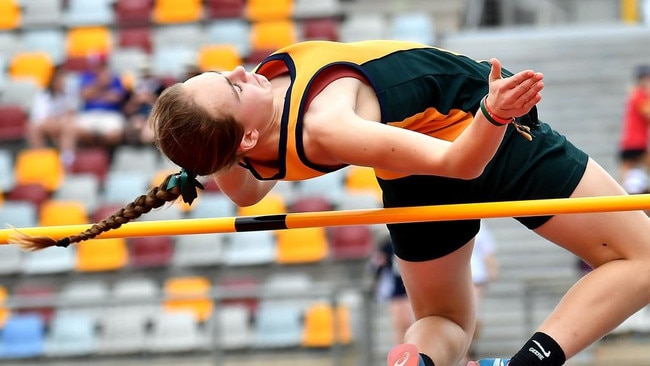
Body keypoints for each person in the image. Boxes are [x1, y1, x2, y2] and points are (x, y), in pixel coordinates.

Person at [13, 40, 650, 366]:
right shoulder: (325, 125)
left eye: (224, 73)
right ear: (250, 134)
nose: (245, 73)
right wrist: (493, 111)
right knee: (643, 257)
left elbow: (250, 185)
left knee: (449, 325)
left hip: (412, 168)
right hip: (475, 134)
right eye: (235, 87)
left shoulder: (243, 156)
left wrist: (204, 160)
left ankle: (417, 359)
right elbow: (462, 164)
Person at [26, 65, 79, 169]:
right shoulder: (42, 95)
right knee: (32, 127)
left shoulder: (69, 93)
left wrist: (59, 122)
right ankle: (40, 160)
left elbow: (72, 113)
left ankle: (67, 162)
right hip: (48, 126)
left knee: (68, 124)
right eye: (59, 80)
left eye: (63, 79)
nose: (62, 82)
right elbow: (41, 118)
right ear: (52, 81)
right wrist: (55, 123)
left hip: (63, 126)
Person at [74, 54, 128, 148]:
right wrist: (100, 84)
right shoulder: (87, 76)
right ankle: (96, 149)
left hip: (110, 114)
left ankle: (102, 150)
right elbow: (84, 95)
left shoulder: (115, 78)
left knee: (116, 134)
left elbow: (116, 97)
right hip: (90, 113)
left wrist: (95, 95)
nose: (97, 67)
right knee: (78, 130)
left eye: (100, 64)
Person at [371, 236, 414, 345]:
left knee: (408, 324)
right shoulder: (387, 245)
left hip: (411, 290)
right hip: (397, 291)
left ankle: (411, 349)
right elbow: (377, 266)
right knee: (399, 325)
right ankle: (400, 353)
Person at [467, 224, 499, 362]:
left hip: (475, 278)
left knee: (474, 318)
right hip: (456, 277)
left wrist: (491, 269)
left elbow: (487, 251)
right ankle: (464, 352)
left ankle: (468, 348)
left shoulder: (480, 227)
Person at [617, 64, 650, 185]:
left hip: (628, 143)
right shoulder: (640, 95)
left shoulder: (635, 94)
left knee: (623, 175)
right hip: (636, 143)